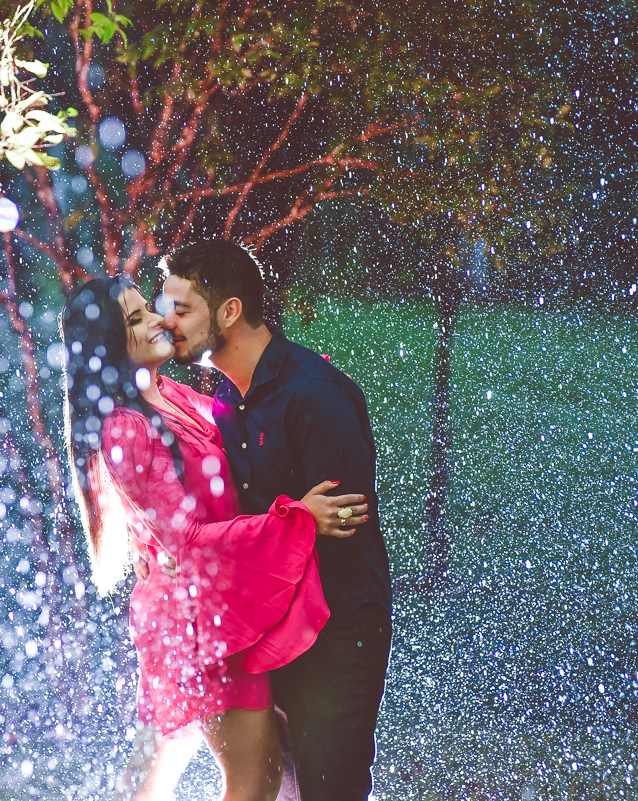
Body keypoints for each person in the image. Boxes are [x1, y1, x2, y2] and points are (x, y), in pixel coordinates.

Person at [60, 277, 369, 801]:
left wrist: (301, 376)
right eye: (135, 321)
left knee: (177, 771)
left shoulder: (174, 396)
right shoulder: (125, 428)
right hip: (196, 626)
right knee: (255, 780)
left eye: (149, 309)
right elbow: (185, 540)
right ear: (109, 346)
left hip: (214, 608)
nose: (158, 321)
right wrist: (297, 520)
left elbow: (241, 427)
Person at [158, 240, 393, 801]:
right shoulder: (224, 400)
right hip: (267, 628)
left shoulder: (314, 395)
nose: (168, 322)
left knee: (328, 789)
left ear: (230, 312)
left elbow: (338, 531)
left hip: (335, 630)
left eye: (182, 308)